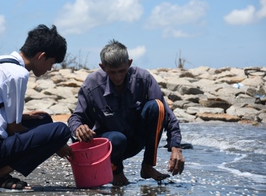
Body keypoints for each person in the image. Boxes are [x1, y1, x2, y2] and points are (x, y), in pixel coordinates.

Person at [0, 24, 73, 192]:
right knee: (61, 130)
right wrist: (55, 143)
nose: (50, 69)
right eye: (51, 63)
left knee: (44, 120)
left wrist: (27, 118)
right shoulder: (17, 74)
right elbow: (14, 129)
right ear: (41, 56)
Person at [68, 39, 185, 186]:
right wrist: (79, 128)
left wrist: (176, 147)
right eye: (112, 72)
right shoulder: (92, 84)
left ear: (129, 63)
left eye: (122, 71)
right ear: (103, 67)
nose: (117, 77)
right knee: (117, 138)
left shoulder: (143, 79)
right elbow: (76, 118)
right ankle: (117, 172)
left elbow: (167, 115)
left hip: (135, 140)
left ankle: (147, 165)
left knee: (157, 107)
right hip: (110, 146)